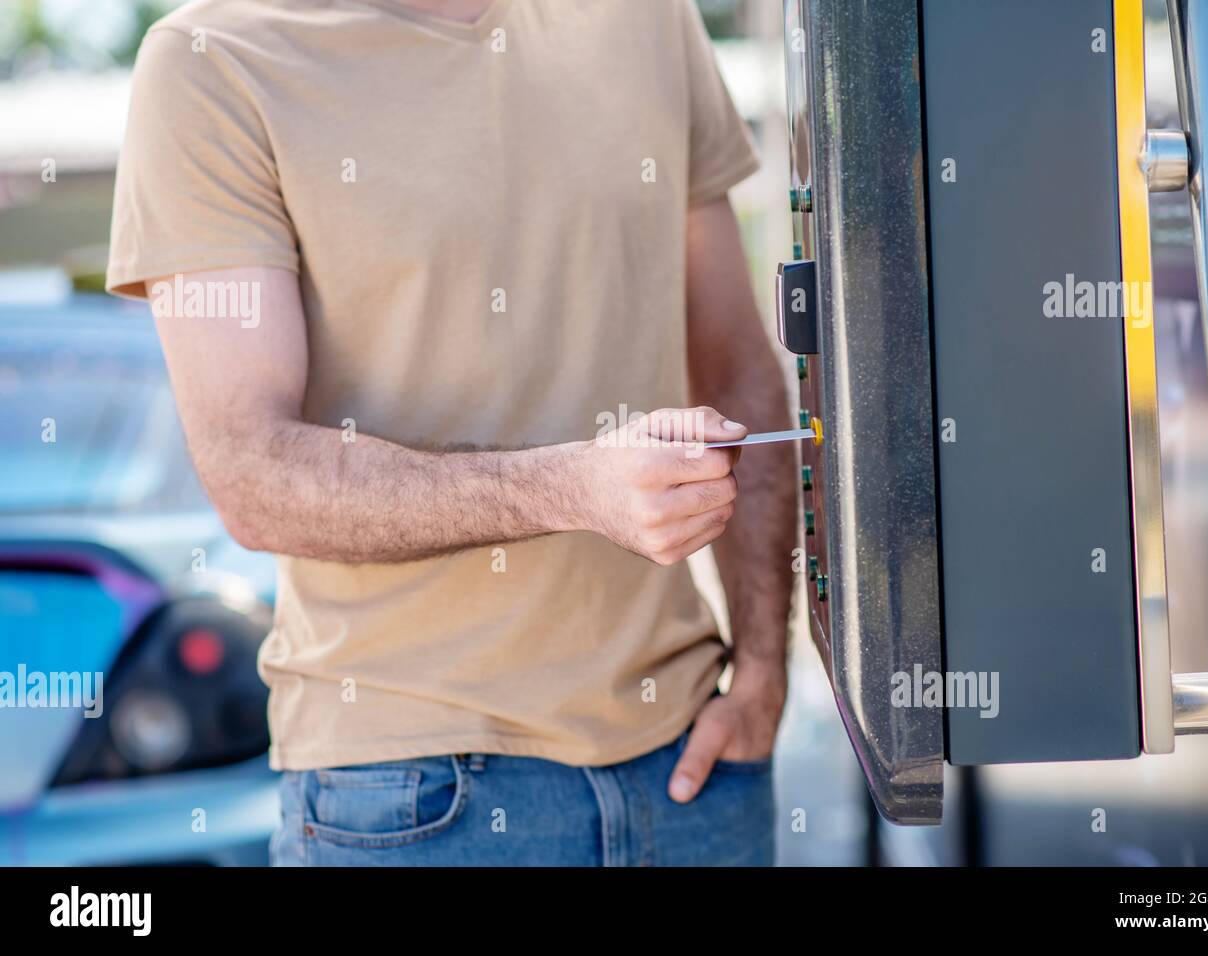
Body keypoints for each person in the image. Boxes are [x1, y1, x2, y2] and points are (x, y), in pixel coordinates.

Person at [107, 0, 795, 866]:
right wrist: (573, 487)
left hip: (696, 777)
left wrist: (766, 671)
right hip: (409, 803)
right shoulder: (212, 62)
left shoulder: (645, 16)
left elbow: (738, 367)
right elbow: (252, 468)